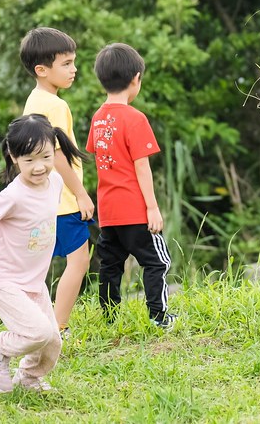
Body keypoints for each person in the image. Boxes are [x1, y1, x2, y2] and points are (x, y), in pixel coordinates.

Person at [0, 114, 85, 393]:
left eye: (46, 157)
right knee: (37, 332)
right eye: (29, 161)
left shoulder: (56, 182)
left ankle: (28, 378)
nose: (39, 167)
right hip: (3, 279)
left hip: (33, 281)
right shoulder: (13, 195)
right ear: (14, 157)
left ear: (54, 149)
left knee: (52, 341)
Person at [86, 43, 175, 329]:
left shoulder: (98, 119)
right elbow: (141, 166)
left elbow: (98, 155)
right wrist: (152, 207)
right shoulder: (135, 118)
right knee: (158, 262)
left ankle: (109, 318)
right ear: (136, 78)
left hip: (109, 212)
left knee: (110, 266)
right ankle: (159, 317)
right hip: (135, 211)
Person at [19, 27, 95, 338]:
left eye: (73, 62)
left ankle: (36, 325)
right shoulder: (54, 105)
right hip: (62, 200)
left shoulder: (35, 101)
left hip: (41, 200)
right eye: (66, 63)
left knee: (38, 267)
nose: (73, 69)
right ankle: (57, 327)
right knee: (79, 261)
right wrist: (81, 194)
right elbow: (57, 155)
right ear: (42, 69)